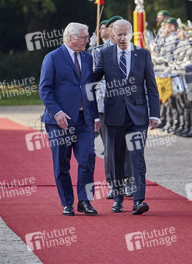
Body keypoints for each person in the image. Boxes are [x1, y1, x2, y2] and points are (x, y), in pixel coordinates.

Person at [93, 19, 160, 215]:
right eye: (118, 34)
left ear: (132, 34)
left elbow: (151, 87)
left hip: (138, 116)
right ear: (112, 35)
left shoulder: (142, 54)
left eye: (126, 34)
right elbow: (92, 80)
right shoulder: (103, 54)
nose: (122, 38)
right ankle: (118, 198)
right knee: (115, 157)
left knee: (137, 157)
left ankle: (139, 200)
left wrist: (154, 114)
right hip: (113, 115)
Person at [39, 22, 100, 216]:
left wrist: (96, 116)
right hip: (60, 121)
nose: (87, 40)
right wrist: (56, 112)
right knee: (61, 164)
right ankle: (67, 202)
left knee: (88, 158)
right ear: (70, 38)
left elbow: (91, 90)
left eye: (87, 37)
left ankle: (85, 200)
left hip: (84, 120)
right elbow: (45, 89)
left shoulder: (88, 58)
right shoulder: (52, 58)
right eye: (84, 37)